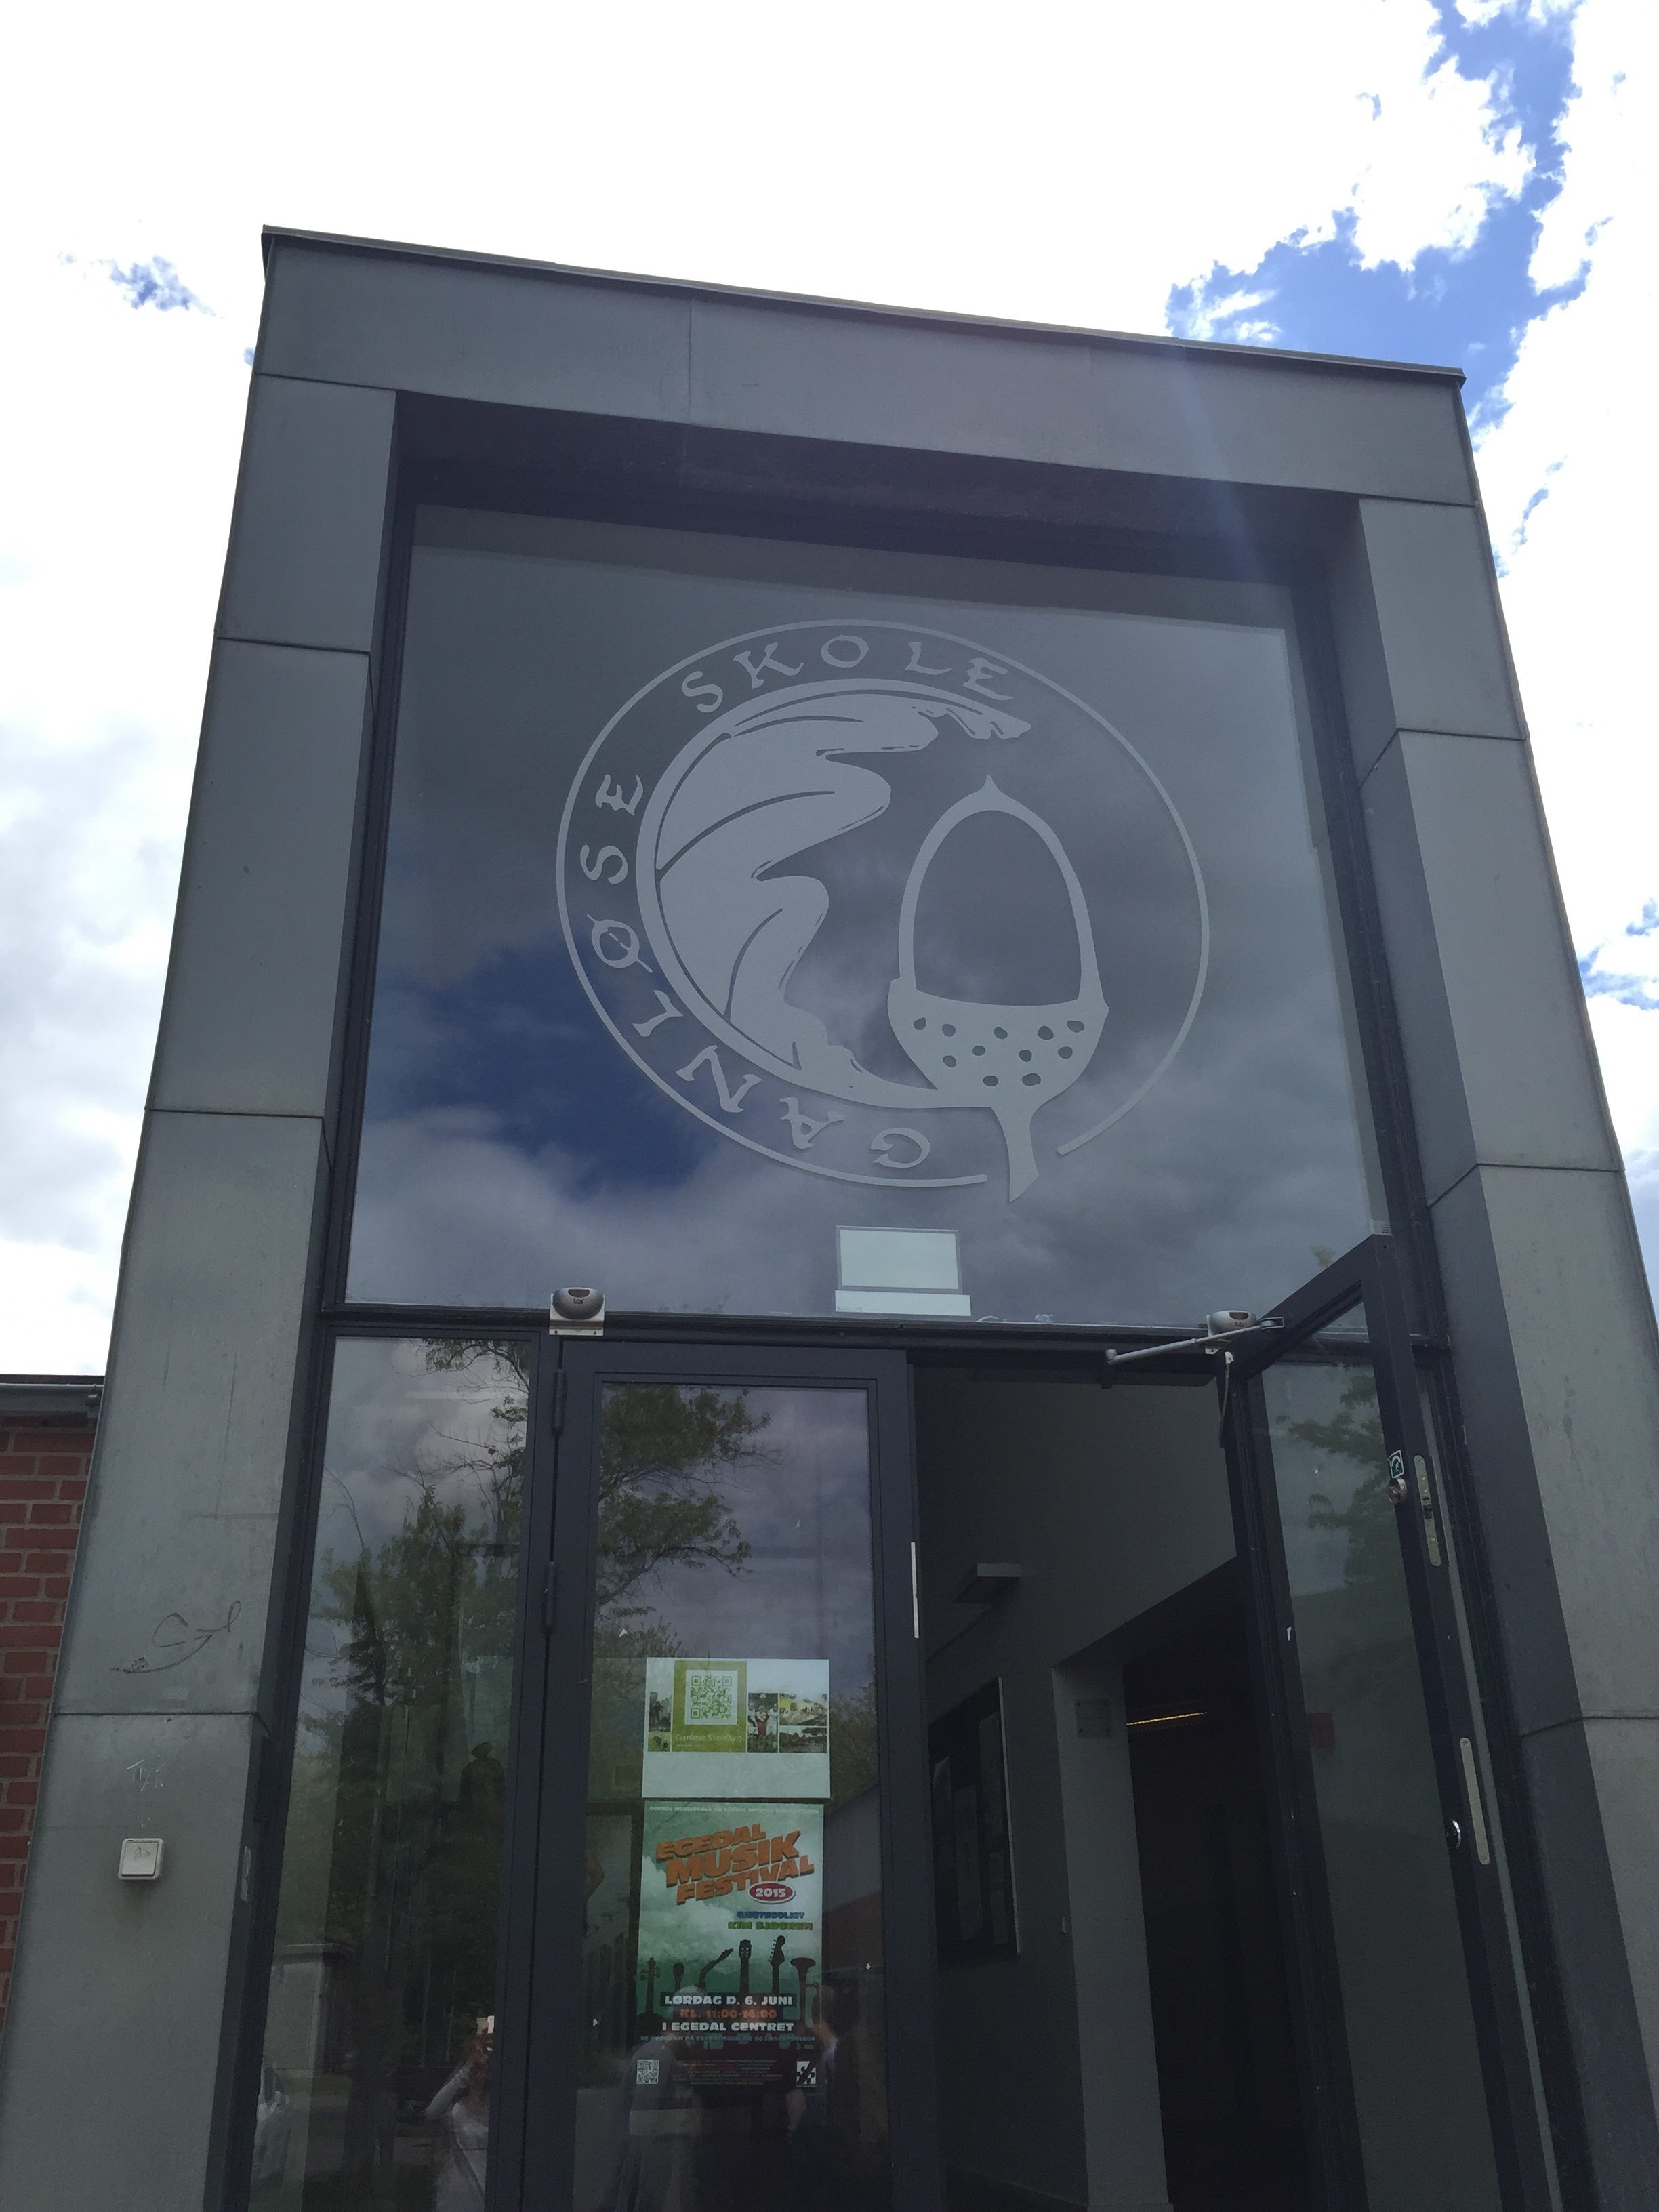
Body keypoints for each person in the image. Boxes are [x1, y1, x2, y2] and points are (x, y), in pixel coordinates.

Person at [426, 2021, 491, 2212]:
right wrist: (467, 2070)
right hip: (457, 2192)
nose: (484, 2061)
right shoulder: (456, 2103)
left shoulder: (501, 2104)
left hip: (489, 2189)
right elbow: (432, 2113)